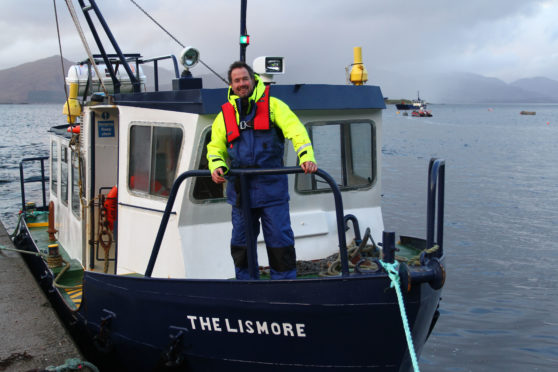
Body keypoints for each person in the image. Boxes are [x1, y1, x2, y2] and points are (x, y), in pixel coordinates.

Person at [207, 61, 317, 280]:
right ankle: (247, 287)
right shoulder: (224, 115)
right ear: (231, 84)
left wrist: (306, 157)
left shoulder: (274, 106)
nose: (241, 84)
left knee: (280, 242)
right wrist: (216, 165)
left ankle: (284, 288)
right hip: (240, 192)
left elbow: (296, 130)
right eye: (237, 80)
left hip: (272, 191)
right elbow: (214, 147)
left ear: (253, 79)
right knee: (241, 244)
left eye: (245, 79)